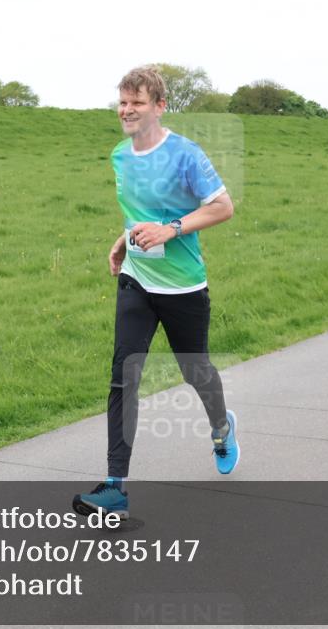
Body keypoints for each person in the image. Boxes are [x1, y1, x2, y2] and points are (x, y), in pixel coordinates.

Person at [72, 66, 239, 520]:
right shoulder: (119, 156)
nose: (126, 110)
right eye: (122, 102)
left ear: (159, 107)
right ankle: (115, 487)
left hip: (184, 285)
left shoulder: (186, 154)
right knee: (123, 375)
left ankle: (221, 428)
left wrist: (171, 230)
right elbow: (137, 213)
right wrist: (122, 240)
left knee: (195, 370)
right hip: (136, 279)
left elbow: (223, 207)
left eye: (137, 102)